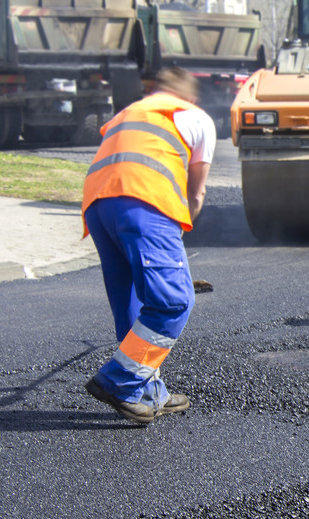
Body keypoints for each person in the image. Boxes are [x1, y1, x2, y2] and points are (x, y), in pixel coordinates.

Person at [82, 67, 216, 423]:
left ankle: (148, 390)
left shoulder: (129, 112)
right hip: (145, 202)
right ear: (189, 97)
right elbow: (195, 192)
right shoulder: (196, 117)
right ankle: (118, 380)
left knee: (132, 300)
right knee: (173, 301)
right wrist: (175, 236)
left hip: (98, 205)